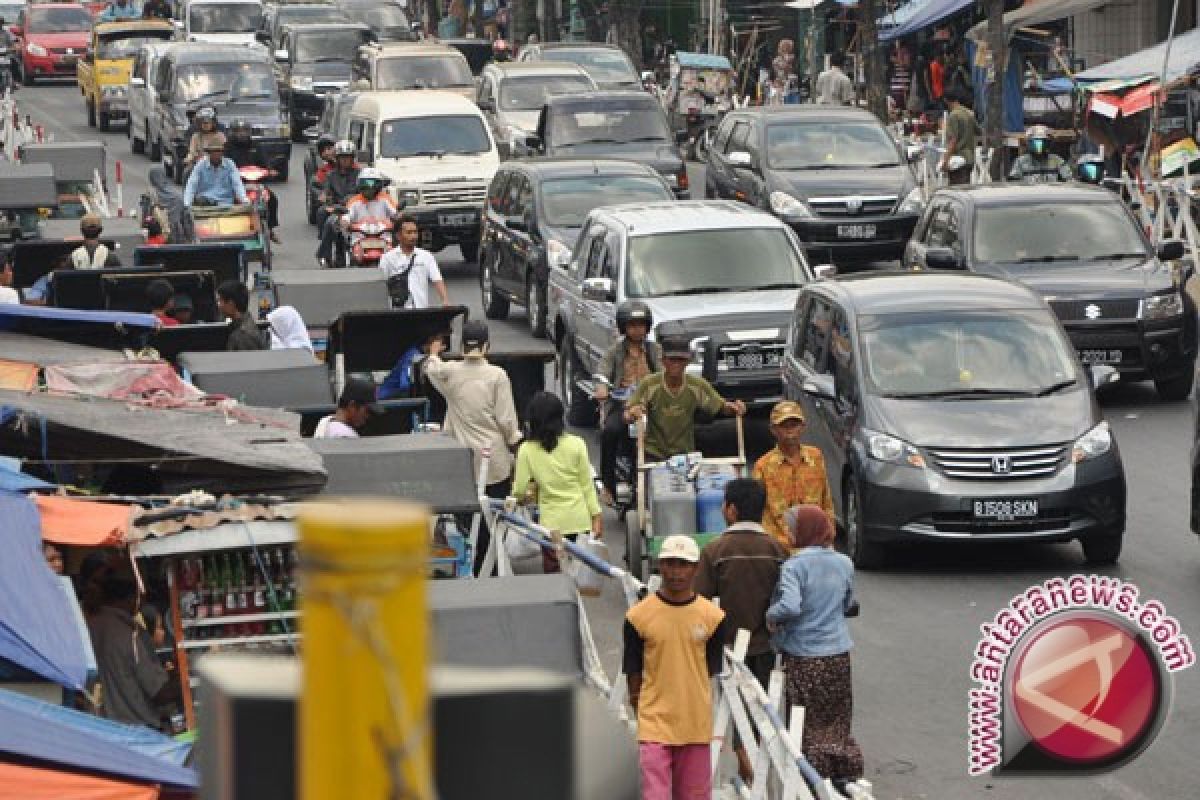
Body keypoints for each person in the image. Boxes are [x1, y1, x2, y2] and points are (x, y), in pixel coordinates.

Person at [694, 478, 789, 783]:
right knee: (764, 710)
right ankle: (759, 772)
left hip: (730, 649)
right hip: (767, 646)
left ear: (731, 510)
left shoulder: (715, 550)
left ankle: (749, 773)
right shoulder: (777, 550)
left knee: (735, 713)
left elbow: (700, 602)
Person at [624, 535, 729, 800]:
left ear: (695, 569)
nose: (676, 572)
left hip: (694, 723)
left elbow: (709, 668)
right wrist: (640, 706)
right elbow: (633, 669)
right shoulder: (638, 617)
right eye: (670, 563)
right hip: (654, 723)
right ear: (660, 565)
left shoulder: (713, 618)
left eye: (683, 565)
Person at [767, 505, 863, 792]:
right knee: (836, 716)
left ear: (803, 531)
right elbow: (848, 604)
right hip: (837, 653)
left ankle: (811, 777)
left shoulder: (794, 566)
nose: (789, 533)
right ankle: (842, 773)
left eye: (793, 528)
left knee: (805, 719)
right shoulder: (844, 563)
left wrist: (771, 616)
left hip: (804, 655)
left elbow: (790, 605)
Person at [425, 321, 522, 497]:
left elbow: (432, 369)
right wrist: (515, 443)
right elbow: (506, 420)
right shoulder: (497, 376)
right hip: (494, 461)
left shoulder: (450, 372)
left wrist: (433, 353)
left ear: (462, 346)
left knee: (467, 519)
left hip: (463, 461)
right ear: (487, 346)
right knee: (495, 517)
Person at [510, 392, 602, 573]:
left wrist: (520, 497)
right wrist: (596, 517)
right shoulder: (577, 444)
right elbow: (586, 485)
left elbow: (519, 490)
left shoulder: (527, 450)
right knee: (579, 575)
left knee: (557, 577)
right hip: (580, 521)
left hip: (551, 527)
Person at [623, 332, 746, 462]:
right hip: (653, 453)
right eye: (672, 359)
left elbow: (720, 407)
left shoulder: (697, 385)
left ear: (687, 361)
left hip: (685, 455)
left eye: (680, 360)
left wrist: (734, 408)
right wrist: (632, 413)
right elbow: (628, 414)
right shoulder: (649, 384)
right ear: (663, 360)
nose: (676, 364)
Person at [87, 576, 178, 729]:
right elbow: (157, 691)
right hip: (135, 726)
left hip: (99, 726)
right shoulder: (130, 633)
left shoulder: (89, 626)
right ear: (131, 599)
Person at [596, 301, 660, 505]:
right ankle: (608, 485)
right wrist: (602, 387)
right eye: (632, 325)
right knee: (610, 432)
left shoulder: (654, 350)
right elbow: (603, 372)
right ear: (624, 327)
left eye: (641, 325)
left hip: (650, 406)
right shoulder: (615, 351)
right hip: (622, 404)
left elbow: (663, 373)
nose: (637, 329)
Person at [752, 401, 833, 549]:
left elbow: (826, 499)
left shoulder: (816, 457)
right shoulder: (763, 466)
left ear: (802, 427)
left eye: (794, 425)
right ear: (773, 430)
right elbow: (758, 511)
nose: (790, 431)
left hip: (815, 546)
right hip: (779, 546)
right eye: (784, 426)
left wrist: (829, 535)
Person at [224, 118, 282, 243]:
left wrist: (270, 170)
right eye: (238, 131)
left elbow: (265, 163)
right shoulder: (227, 148)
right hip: (235, 185)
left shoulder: (256, 146)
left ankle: (270, 229)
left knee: (272, 199)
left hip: (255, 184)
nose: (241, 134)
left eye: (244, 131)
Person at [379, 214, 448, 309]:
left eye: (415, 232)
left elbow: (437, 279)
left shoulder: (426, 256)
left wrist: (445, 300)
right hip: (397, 313)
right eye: (409, 232)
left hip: (421, 311)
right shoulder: (387, 258)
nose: (413, 236)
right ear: (398, 236)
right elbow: (381, 284)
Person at [315, 140, 362, 266]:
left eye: (348, 157)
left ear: (352, 158)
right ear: (337, 158)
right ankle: (324, 251)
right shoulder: (331, 175)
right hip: (339, 209)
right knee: (327, 220)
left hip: (357, 208)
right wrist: (327, 202)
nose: (345, 160)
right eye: (342, 157)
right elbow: (326, 193)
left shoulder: (361, 174)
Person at [184, 141, 249, 208]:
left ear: (222, 153)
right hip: (204, 204)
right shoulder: (201, 164)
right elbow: (191, 184)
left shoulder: (230, 164)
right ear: (209, 153)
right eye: (213, 151)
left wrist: (245, 200)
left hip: (225, 204)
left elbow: (237, 184)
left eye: (219, 151)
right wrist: (187, 204)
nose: (216, 154)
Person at [314, 378, 382, 438]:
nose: (367, 416)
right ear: (352, 406)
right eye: (367, 411)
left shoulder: (325, 422)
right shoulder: (345, 436)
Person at [938, 87, 976, 186]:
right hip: (970, 158)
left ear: (946, 100)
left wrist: (945, 161)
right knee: (966, 188)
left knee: (956, 189)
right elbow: (979, 131)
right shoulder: (969, 113)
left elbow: (953, 141)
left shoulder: (953, 116)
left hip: (958, 160)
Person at [216, 279, 266, 351]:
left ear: (231, 303)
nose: (218, 305)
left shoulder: (243, 336)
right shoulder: (244, 326)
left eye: (220, 301)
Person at [148, 166, 192, 243]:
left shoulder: (151, 196)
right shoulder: (178, 195)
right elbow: (187, 219)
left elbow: (147, 219)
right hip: (179, 236)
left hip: (159, 237)